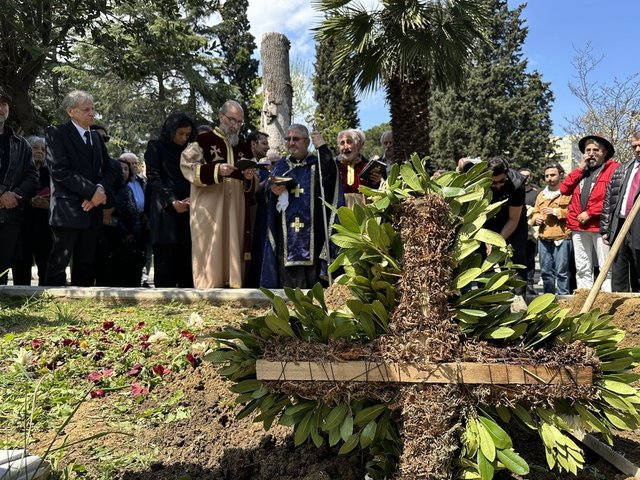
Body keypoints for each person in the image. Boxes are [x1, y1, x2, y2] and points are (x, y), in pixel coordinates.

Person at [44, 90, 116, 286]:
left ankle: (82, 301)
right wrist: (92, 192)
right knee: (59, 262)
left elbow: (110, 169)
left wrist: (99, 190)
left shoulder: (96, 138)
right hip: (67, 210)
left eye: (93, 109)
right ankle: (50, 300)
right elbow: (60, 170)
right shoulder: (56, 133)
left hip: (92, 211)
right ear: (70, 111)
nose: (92, 113)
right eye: (86, 109)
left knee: (86, 264)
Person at [180, 100, 254, 289]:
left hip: (236, 208)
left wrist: (249, 177)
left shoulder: (243, 147)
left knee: (233, 243)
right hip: (209, 208)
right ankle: (208, 288)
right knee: (210, 246)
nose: (235, 125)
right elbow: (187, 166)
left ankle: (233, 285)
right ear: (221, 116)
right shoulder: (203, 141)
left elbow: (252, 183)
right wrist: (216, 170)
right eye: (232, 120)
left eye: (239, 122)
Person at [261, 124, 343, 288]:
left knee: (314, 285)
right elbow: (268, 190)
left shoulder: (317, 164)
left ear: (307, 141)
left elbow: (331, 177)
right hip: (286, 237)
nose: (291, 143)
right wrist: (273, 191)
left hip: (314, 234)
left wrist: (322, 148)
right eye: (288, 139)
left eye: (296, 139)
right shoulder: (282, 165)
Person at [560, 134, 619, 291]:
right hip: (578, 226)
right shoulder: (582, 171)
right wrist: (579, 168)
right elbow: (564, 189)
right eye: (588, 150)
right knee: (582, 266)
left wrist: (591, 213)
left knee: (605, 266)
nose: (591, 153)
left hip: (600, 226)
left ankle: (606, 298)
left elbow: (613, 197)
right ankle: (584, 297)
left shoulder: (613, 169)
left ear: (604, 152)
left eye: (595, 150)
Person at [145, 112, 196, 288]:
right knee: (165, 269)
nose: (184, 138)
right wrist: (172, 201)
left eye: (187, 134)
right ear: (171, 130)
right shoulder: (155, 147)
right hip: (164, 214)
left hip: (188, 213)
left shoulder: (190, 151)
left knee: (186, 268)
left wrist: (193, 197)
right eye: (180, 133)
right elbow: (154, 178)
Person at [0, 90, 38, 284]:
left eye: (4, 104)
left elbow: (32, 176)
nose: (1, 108)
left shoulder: (21, 144)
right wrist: (1, 194)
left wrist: (15, 195)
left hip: (10, 217)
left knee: (2, 270)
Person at [600, 132, 640, 292]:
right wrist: (605, 228)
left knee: (638, 271)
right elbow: (609, 199)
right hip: (619, 225)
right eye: (634, 146)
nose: (637, 149)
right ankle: (619, 304)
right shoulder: (623, 169)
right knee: (618, 272)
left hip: (638, 226)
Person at [484, 157, 529, 292]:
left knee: (515, 257)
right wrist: (487, 240)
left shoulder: (517, 184)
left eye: (502, 181)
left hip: (514, 223)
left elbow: (513, 220)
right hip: (488, 221)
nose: (498, 186)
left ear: (507, 174)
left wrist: (497, 242)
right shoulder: (479, 182)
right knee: (485, 259)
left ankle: (518, 296)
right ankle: (488, 296)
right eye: (493, 182)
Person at [12, 136, 51, 285]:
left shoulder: (51, 174)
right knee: (21, 267)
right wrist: (29, 201)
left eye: (43, 149)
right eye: (35, 148)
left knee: (45, 267)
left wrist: (48, 205)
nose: (40, 152)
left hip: (45, 228)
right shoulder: (17, 171)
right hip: (21, 226)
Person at [531, 162, 572, 295]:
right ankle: (548, 300)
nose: (549, 178)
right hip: (544, 238)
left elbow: (574, 214)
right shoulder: (541, 195)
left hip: (562, 238)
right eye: (547, 176)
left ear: (561, 175)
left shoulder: (568, 193)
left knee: (562, 272)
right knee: (546, 273)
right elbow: (535, 213)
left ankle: (564, 300)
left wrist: (555, 211)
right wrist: (536, 219)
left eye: (553, 175)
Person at [245, 130, 271, 287]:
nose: (268, 147)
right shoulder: (246, 163)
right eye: (264, 143)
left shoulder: (260, 167)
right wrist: (269, 180)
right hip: (247, 214)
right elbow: (250, 189)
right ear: (253, 144)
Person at [336, 129, 381, 208]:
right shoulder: (335, 167)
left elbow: (375, 192)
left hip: (364, 209)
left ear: (357, 145)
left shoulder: (366, 166)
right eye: (342, 143)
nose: (345, 146)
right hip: (341, 210)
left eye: (349, 142)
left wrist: (377, 182)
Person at [519, 167, 540, 295]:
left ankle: (530, 284)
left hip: (530, 234)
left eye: (527, 176)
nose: (525, 178)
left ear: (531, 177)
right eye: (522, 176)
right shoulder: (514, 191)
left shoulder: (536, 193)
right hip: (516, 232)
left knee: (530, 259)